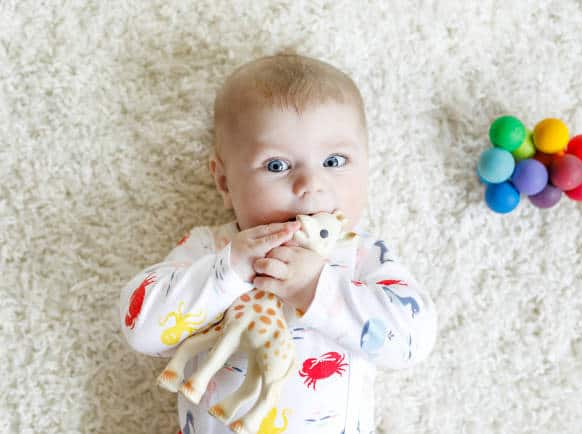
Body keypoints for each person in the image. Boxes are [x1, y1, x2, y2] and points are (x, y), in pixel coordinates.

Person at [120, 51, 437, 434]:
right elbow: (140, 328)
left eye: (335, 161)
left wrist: (316, 289)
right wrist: (229, 271)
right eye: (277, 166)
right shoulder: (212, 249)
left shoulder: (361, 256)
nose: (310, 185)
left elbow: (411, 342)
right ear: (224, 182)